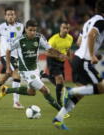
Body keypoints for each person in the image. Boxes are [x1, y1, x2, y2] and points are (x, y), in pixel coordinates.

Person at [53, 0, 104, 130]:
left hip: (78, 58)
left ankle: (58, 119)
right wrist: (92, 54)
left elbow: (80, 41)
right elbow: (92, 35)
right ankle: (71, 90)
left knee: (81, 93)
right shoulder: (101, 21)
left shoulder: (89, 21)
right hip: (84, 61)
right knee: (101, 87)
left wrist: (92, 52)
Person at [0, 19, 67, 112]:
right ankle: (62, 111)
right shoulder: (19, 40)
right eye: (30, 30)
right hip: (25, 71)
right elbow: (8, 51)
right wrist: (7, 67)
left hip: (35, 69)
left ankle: (6, 90)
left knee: (31, 92)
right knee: (45, 90)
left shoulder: (39, 38)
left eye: (34, 30)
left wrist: (59, 54)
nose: (33, 32)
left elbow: (50, 49)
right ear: (26, 29)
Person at [40, 22, 73, 106]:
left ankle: (45, 76)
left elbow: (68, 49)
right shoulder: (53, 39)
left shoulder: (70, 38)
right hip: (52, 60)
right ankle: (59, 102)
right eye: (64, 28)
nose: (65, 30)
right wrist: (58, 56)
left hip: (61, 61)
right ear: (60, 28)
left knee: (60, 84)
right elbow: (47, 53)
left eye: (67, 28)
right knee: (59, 79)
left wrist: (69, 59)